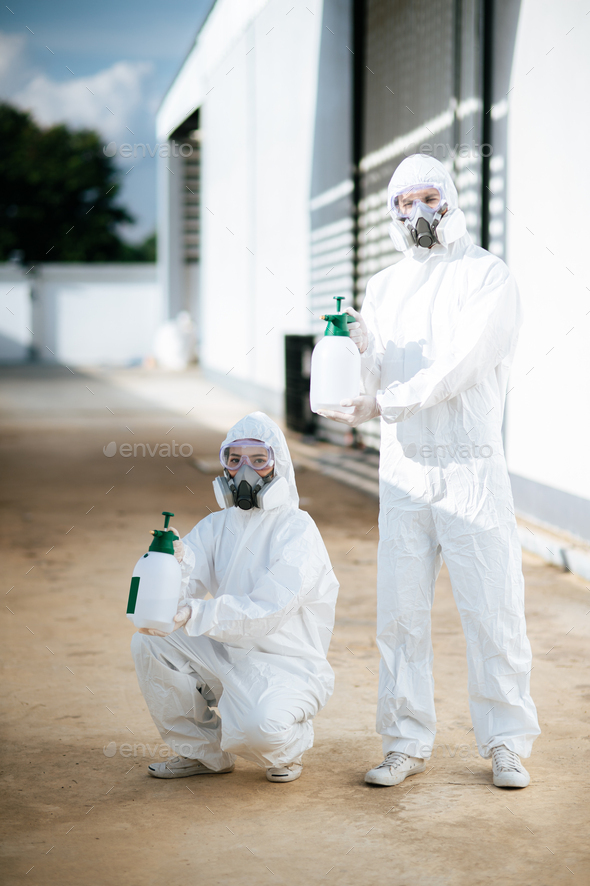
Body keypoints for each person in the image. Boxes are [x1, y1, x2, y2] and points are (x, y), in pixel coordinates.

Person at [320, 154, 540, 789]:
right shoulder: (384, 287)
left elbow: (463, 364)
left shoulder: (487, 275)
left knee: (493, 608)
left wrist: (381, 402)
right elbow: (378, 377)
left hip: (471, 469)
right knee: (401, 614)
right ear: (392, 212)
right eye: (403, 202)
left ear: (448, 199)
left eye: (426, 197)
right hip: (406, 474)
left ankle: (505, 743)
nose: (416, 212)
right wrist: (360, 354)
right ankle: (405, 741)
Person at [131, 412, 338, 783]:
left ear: (279, 467)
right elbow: (183, 592)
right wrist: (173, 564)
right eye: (234, 459)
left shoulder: (297, 530)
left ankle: (291, 742)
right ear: (224, 466)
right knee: (152, 643)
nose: (245, 471)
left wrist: (194, 612)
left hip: (287, 665)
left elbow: (268, 610)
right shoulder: (217, 525)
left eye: (259, 461)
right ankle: (203, 754)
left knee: (260, 733)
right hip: (228, 653)